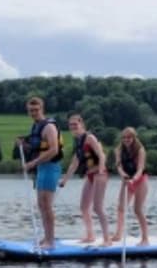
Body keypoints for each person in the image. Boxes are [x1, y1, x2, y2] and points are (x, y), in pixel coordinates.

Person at [18, 97, 64, 249]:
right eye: (31, 110)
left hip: (51, 167)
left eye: (36, 110)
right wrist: (23, 144)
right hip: (41, 169)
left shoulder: (49, 127)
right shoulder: (35, 126)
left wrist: (32, 163)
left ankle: (51, 241)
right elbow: (36, 147)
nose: (34, 113)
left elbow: (54, 150)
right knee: (41, 205)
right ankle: (46, 238)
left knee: (47, 205)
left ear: (42, 109)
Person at [59, 114, 111, 245]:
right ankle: (90, 235)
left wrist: (100, 170)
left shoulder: (90, 138)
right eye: (71, 125)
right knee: (83, 207)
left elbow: (101, 155)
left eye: (75, 124)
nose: (73, 127)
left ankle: (107, 239)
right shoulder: (78, 142)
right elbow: (74, 163)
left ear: (81, 124)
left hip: (100, 174)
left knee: (98, 208)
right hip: (90, 175)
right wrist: (64, 180)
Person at [111, 127, 150, 246]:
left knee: (137, 210)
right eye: (124, 137)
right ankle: (118, 234)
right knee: (121, 207)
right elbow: (118, 166)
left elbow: (140, 169)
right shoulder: (118, 150)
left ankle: (145, 238)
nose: (126, 140)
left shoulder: (140, 150)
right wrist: (124, 176)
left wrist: (134, 180)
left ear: (134, 138)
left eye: (129, 137)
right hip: (126, 179)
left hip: (140, 180)